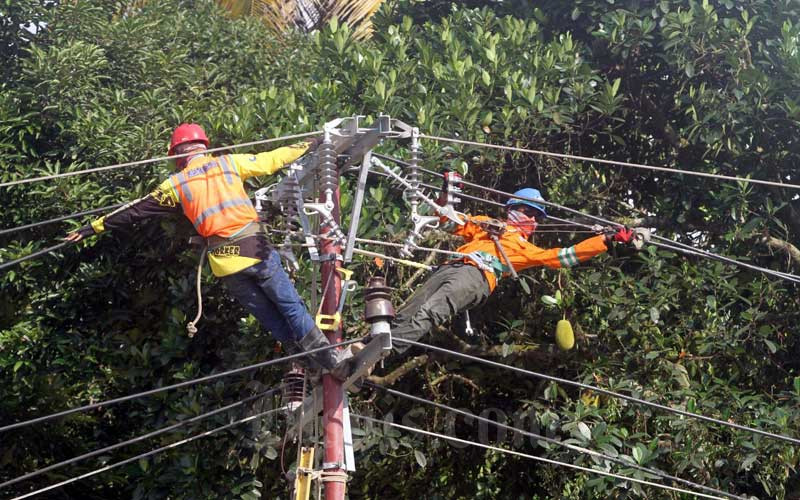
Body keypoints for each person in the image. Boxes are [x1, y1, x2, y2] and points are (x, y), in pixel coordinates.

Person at [66, 123, 353, 376]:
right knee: (290, 306)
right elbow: (273, 160)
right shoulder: (229, 163)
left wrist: (93, 227)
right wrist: (312, 142)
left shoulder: (175, 184)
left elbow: (135, 210)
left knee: (269, 315)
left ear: (177, 155)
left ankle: (308, 364)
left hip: (224, 262)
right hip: (254, 248)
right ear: (204, 146)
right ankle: (330, 360)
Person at [391, 187, 636, 353]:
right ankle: (365, 349)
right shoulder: (487, 225)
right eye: (529, 213)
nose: (533, 221)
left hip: (477, 276)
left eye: (537, 217)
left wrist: (605, 240)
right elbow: (449, 223)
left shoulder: (524, 248)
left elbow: (563, 256)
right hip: (450, 266)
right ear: (512, 209)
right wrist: (445, 198)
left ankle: (384, 351)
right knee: (405, 311)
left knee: (432, 310)